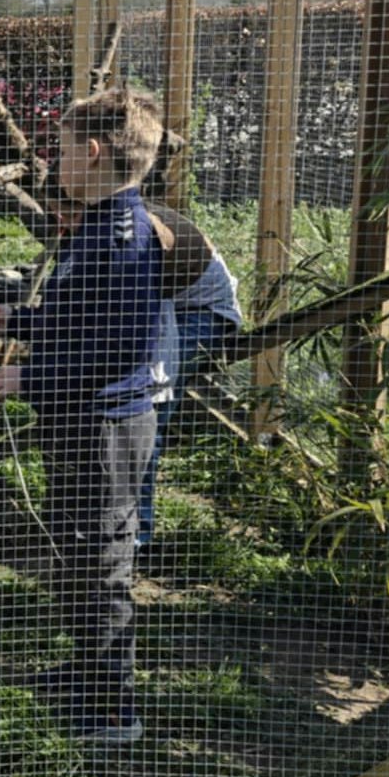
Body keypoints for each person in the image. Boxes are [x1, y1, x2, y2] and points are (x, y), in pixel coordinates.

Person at [0, 86, 165, 745]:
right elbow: (77, 317)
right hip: (79, 422)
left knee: (106, 562)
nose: (53, 161)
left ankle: (114, 711)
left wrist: (29, 373)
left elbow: (120, 347)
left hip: (107, 426)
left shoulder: (124, 236)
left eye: (58, 149)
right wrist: (16, 320)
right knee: (76, 550)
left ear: (90, 153)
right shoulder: (97, 222)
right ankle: (85, 671)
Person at [136, 204, 244, 547]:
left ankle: (138, 534)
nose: (60, 224)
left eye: (63, 215)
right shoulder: (98, 219)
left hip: (202, 312)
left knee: (146, 409)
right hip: (166, 305)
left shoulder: (136, 231)